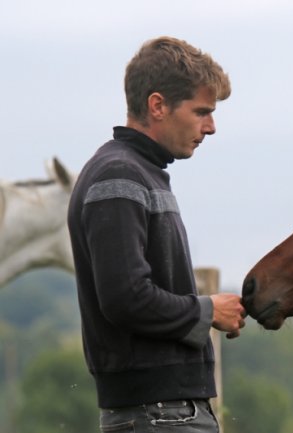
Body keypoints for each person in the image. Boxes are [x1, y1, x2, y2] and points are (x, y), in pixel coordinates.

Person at [67, 36, 246, 432]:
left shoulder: (139, 173)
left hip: (163, 411)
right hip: (159, 414)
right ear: (158, 105)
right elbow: (125, 297)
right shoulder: (119, 175)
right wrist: (207, 310)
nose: (211, 127)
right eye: (201, 112)